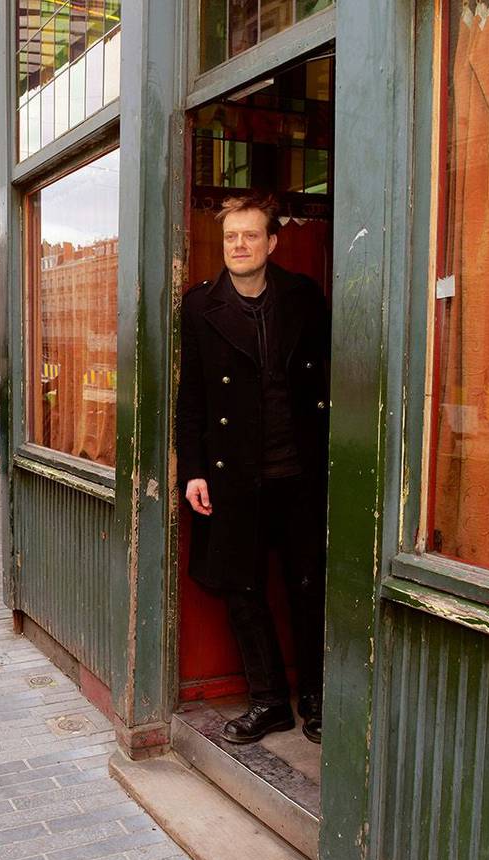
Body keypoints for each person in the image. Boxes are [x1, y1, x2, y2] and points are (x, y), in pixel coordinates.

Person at [176, 193, 330, 745]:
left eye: (249, 236)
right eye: (230, 237)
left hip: (300, 471)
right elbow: (190, 397)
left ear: (271, 242)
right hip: (232, 472)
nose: (238, 246)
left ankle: (314, 698)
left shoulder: (303, 298)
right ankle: (269, 702)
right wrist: (191, 470)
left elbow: (331, 383)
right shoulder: (200, 307)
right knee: (242, 588)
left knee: (308, 586)